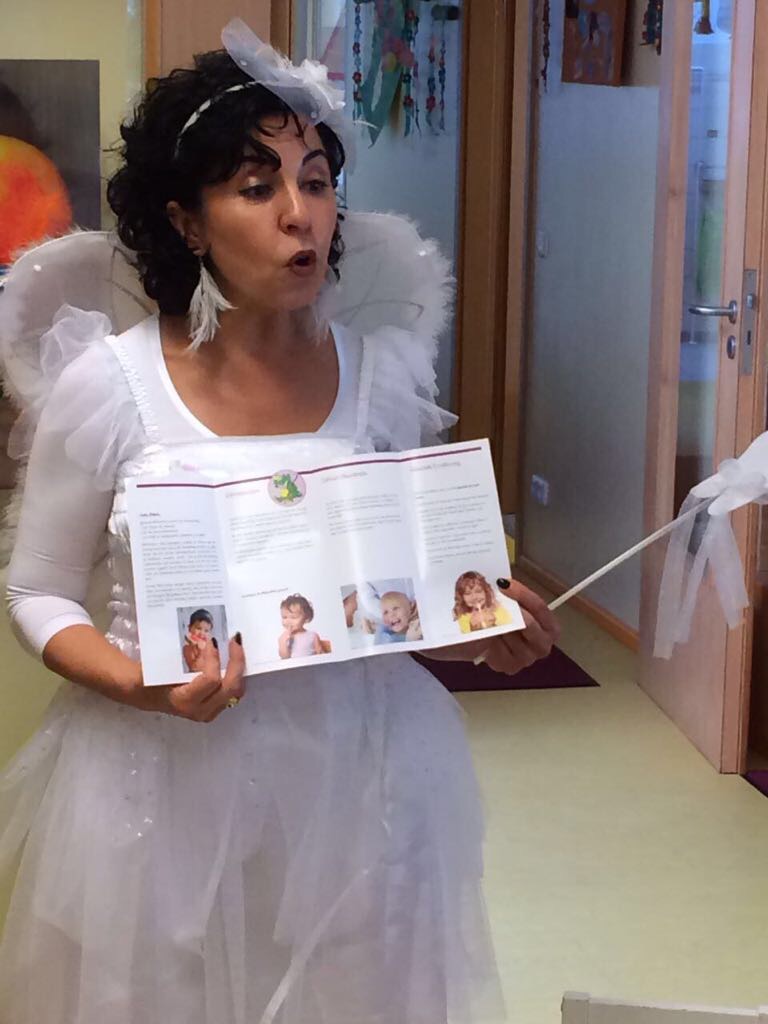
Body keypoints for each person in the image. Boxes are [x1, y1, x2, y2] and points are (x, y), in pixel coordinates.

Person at [0, 21, 559, 1023]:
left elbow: (391, 601)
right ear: (188, 221)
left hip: (361, 779)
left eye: (317, 180)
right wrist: (134, 681)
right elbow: (36, 591)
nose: (301, 215)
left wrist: (482, 628)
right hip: (158, 783)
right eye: (258, 189)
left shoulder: (380, 377)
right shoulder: (110, 385)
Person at [278, 594, 323, 659]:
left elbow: (321, 655)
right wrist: (282, 643)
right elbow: (285, 657)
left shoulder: (312, 635)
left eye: (293, 617)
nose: (288, 621)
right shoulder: (285, 638)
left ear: (306, 618)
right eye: (284, 617)